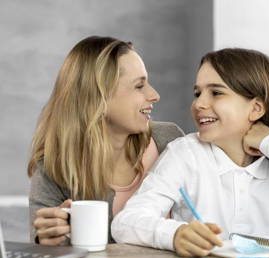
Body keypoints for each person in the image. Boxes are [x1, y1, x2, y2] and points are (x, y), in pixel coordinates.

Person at [111, 48, 269, 257]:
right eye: (198, 93)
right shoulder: (185, 154)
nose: (199, 104)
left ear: (255, 108)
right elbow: (125, 223)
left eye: (216, 93)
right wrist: (174, 234)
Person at [28, 36, 184, 246]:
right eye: (139, 86)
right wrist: (48, 240)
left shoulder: (170, 142)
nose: (154, 95)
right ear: (98, 98)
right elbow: (44, 256)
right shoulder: (53, 169)